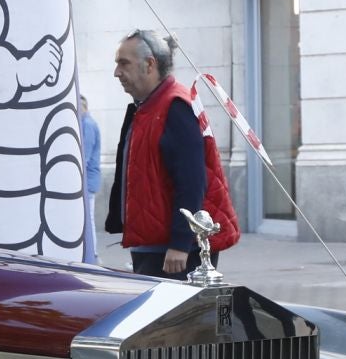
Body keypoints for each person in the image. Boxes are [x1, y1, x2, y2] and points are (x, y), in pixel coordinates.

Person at [104, 30, 238, 280]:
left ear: (150, 65)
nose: (117, 72)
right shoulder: (148, 107)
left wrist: (180, 243)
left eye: (124, 64)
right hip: (155, 244)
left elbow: (192, 180)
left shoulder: (175, 107)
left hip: (173, 251)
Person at [78, 93, 103, 267]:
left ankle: (93, 254)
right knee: (88, 218)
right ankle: (92, 254)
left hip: (87, 181)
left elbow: (83, 157)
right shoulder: (87, 123)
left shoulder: (87, 125)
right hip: (89, 180)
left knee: (89, 219)